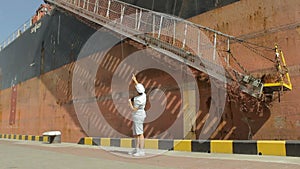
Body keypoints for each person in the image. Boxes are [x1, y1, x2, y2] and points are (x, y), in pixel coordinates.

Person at [128, 74, 147, 156]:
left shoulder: (137, 100)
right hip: (138, 114)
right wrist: (134, 79)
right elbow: (138, 86)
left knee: (140, 133)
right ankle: (137, 149)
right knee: (136, 133)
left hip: (138, 114)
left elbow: (134, 109)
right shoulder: (143, 94)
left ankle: (141, 151)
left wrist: (129, 103)